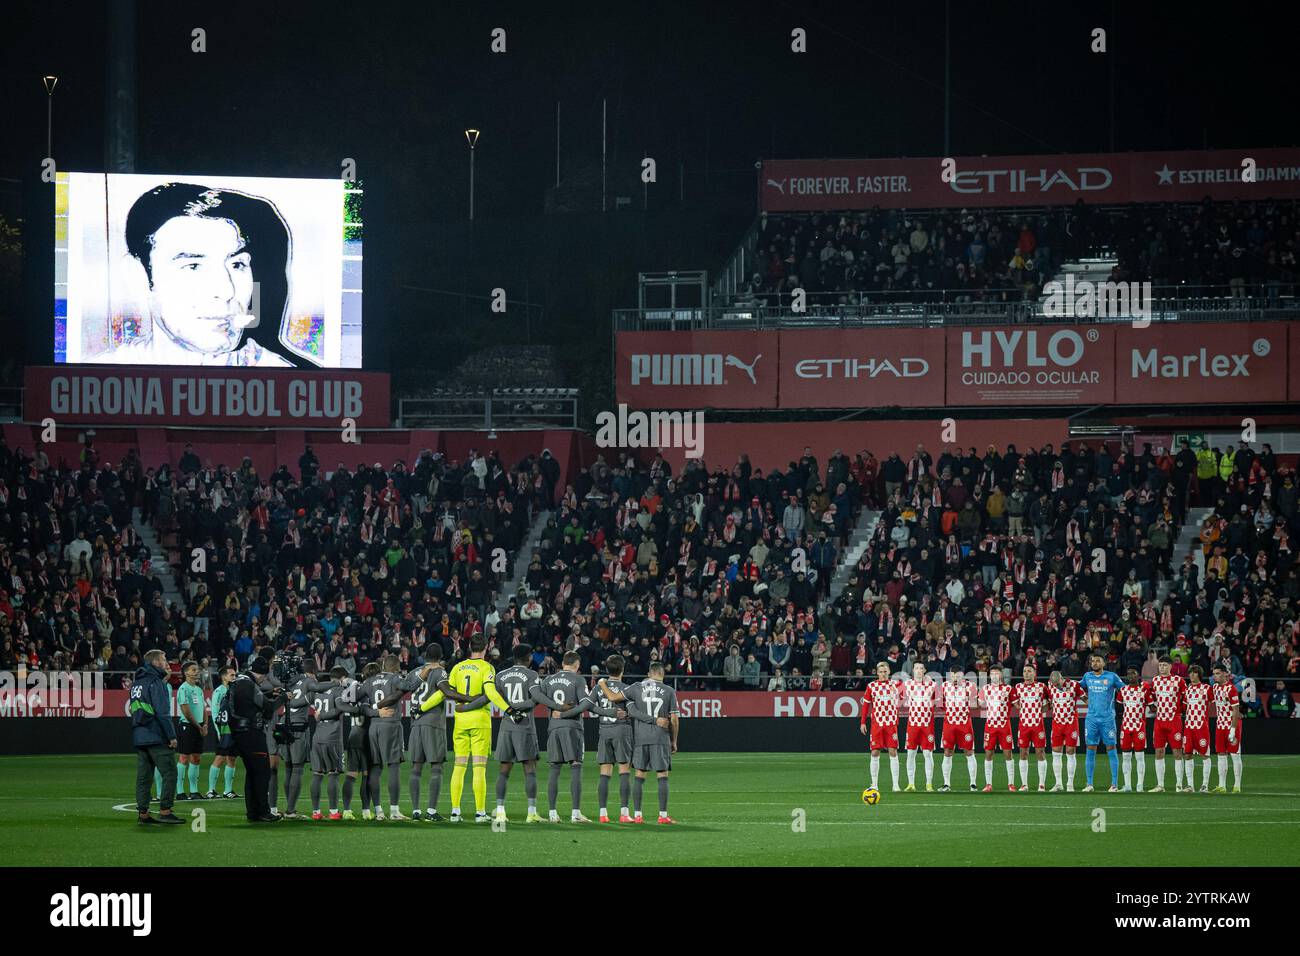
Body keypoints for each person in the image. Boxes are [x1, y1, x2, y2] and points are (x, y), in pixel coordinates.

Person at [114, 182, 312, 367]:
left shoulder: (289, 382)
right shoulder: (103, 377)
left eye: (237, 264)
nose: (226, 290)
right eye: (193, 266)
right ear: (137, 277)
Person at [357, 654, 436, 821]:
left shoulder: (369, 681)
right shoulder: (394, 678)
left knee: (376, 769)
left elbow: (356, 701)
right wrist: (425, 672)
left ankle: (378, 811)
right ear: (397, 667)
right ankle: (394, 811)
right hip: (390, 725)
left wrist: (373, 710)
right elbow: (410, 685)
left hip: (373, 727)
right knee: (393, 767)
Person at [599, 660, 679, 824]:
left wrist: (602, 683)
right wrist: (674, 740)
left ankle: (637, 816)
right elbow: (675, 720)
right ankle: (663, 816)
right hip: (660, 737)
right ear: (662, 674)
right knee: (662, 775)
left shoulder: (636, 687)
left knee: (639, 775)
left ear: (649, 674)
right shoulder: (669, 690)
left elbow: (613, 697)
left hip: (640, 738)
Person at [445, 634, 512, 822]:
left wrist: (422, 707)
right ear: (486, 649)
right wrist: (508, 708)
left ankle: (455, 812)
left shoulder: (457, 667)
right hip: (480, 721)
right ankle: (480, 812)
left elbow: (446, 692)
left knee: (458, 767)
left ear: (468, 647)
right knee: (479, 768)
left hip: (460, 721)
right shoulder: (486, 667)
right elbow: (490, 692)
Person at [485, 643, 551, 823]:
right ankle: (531, 813)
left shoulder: (501, 675)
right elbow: (534, 699)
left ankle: (500, 812)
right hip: (525, 727)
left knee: (503, 771)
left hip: (506, 726)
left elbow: (491, 697)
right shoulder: (531, 674)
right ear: (529, 657)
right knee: (530, 770)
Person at [538, 651, 596, 823]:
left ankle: (552, 813)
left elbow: (537, 697)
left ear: (562, 663)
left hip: (553, 728)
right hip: (572, 728)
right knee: (576, 767)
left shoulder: (548, 680)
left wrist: (556, 711)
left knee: (554, 770)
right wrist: (565, 715)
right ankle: (575, 813)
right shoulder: (578, 679)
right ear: (577, 665)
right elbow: (585, 703)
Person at [408, 644, 463, 821]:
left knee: (416, 768)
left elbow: (407, 687)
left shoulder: (415, 671)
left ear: (425, 656)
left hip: (415, 723)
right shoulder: (440, 672)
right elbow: (446, 691)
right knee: (436, 767)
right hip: (433, 723)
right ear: (440, 657)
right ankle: (431, 811)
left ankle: (415, 811)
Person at [130, 649, 184, 825]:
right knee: (170, 773)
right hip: (156, 735)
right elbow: (162, 713)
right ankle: (165, 811)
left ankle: (143, 814)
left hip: (140, 735)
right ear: (155, 663)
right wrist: (171, 736)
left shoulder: (137, 683)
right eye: (163, 659)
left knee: (144, 777)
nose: (166, 662)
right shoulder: (156, 682)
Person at [227, 655, 284, 822]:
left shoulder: (239, 681)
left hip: (239, 733)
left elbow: (248, 699)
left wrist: (267, 692)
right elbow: (268, 706)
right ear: (261, 674)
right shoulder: (248, 684)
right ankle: (263, 812)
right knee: (262, 773)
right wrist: (282, 698)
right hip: (251, 733)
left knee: (252, 773)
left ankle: (252, 812)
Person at [303, 666, 355, 820]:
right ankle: (333, 812)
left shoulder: (318, 690)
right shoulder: (338, 690)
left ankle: (316, 812)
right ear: (341, 678)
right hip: (332, 737)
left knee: (317, 774)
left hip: (317, 736)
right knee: (333, 774)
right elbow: (339, 709)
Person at [589, 653, 634, 823]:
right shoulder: (626, 688)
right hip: (621, 730)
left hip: (604, 730)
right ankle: (624, 814)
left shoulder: (598, 687)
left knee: (605, 772)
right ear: (622, 669)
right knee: (624, 771)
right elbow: (632, 710)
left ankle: (602, 814)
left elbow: (589, 706)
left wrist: (604, 712)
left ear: (607, 669)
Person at [1079, 653, 1125, 793]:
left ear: (1104, 663)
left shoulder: (1112, 676)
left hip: (1108, 719)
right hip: (1091, 719)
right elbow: (1076, 688)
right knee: (1090, 749)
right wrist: (1084, 697)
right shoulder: (1087, 676)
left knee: (1111, 748)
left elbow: (1125, 690)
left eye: (1098, 661)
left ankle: (1114, 784)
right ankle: (1089, 784)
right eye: (1093, 661)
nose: (1094, 663)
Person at [859, 661, 902, 793]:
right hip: (877, 724)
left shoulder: (897, 685)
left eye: (885, 671)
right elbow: (866, 705)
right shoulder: (871, 686)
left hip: (891, 724)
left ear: (889, 672)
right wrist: (862, 722)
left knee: (893, 752)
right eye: (881, 672)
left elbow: (909, 692)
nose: (883, 674)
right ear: (877, 673)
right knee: (875, 752)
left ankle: (895, 785)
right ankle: (874, 784)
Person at [1148, 656, 1187, 793]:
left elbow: (1185, 697)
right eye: (1160, 665)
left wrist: (1181, 710)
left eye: (1165, 665)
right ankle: (1160, 785)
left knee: (1177, 752)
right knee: (1159, 751)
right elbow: (1151, 697)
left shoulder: (1178, 680)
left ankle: (1179, 785)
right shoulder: (1155, 681)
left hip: (1174, 720)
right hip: (1159, 721)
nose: (1162, 668)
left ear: (1171, 666)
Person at [938, 664, 978, 792]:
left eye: (958, 676)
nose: (955, 678)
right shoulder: (944, 686)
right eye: (953, 675)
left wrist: (964, 706)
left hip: (964, 723)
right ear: (950, 675)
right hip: (949, 723)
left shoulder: (970, 686)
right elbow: (940, 704)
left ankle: (973, 784)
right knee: (948, 752)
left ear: (963, 675)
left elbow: (974, 705)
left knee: (969, 751)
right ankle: (946, 784)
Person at [1011, 663, 1050, 792]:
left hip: (1038, 725)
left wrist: (1039, 709)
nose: (1026, 673)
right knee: (1023, 753)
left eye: (1029, 671)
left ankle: (1041, 784)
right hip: (1024, 725)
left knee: (1040, 752)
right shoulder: (1018, 687)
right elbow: (1016, 705)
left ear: (1034, 673)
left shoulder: (1041, 687)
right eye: (1024, 671)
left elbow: (1047, 705)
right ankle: (1024, 784)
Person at [978, 665, 1017, 792]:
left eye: (996, 673)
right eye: (992, 673)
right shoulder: (985, 688)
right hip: (990, 726)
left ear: (1001, 675)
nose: (994, 676)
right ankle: (988, 784)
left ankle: (1011, 784)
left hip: (1005, 725)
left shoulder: (1008, 689)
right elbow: (980, 703)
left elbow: (1017, 705)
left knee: (1008, 754)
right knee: (988, 753)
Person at [900, 662, 936, 792]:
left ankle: (929, 784)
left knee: (928, 754)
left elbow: (938, 701)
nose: (919, 670)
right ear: (913, 670)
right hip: (913, 724)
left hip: (927, 725)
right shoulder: (907, 684)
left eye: (921, 668)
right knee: (910, 754)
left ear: (925, 670)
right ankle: (911, 784)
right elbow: (900, 699)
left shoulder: (932, 685)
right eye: (917, 668)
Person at [1047, 670, 1086, 792]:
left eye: (1057, 684)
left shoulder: (1074, 685)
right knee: (1056, 752)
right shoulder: (1050, 685)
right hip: (1057, 723)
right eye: (1053, 685)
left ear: (1061, 678)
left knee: (1070, 751)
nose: (1056, 686)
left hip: (1071, 723)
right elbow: (1049, 701)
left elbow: (1085, 698)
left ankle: (1070, 783)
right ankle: (1058, 783)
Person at [204, 665, 239, 799]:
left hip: (233, 730)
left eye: (235, 675)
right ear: (224, 676)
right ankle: (211, 790)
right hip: (223, 730)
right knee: (220, 758)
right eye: (232, 675)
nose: (234, 677)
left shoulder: (234, 690)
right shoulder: (219, 692)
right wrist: (219, 732)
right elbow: (214, 713)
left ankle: (228, 790)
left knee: (232, 758)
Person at [174, 662, 207, 802]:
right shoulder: (183, 689)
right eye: (193, 670)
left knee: (196, 758)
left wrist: (205, 724)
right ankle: (180, 791)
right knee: (184, 757)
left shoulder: (199, 689)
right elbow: (186, 711)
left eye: (197, 670)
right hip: (187, 726)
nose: (196, 672)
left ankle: (194, 791)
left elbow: (204, 708)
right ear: (186, 673)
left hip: (199, 725)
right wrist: (198, 727)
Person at [1117, 668, 1152, 792]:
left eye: (1133, 674)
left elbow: (1152, 707)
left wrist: (1150, 691)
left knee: (1139, 756)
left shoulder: (1144, 691)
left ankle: (1139, 785)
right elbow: (1119, 706)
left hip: (1139, 727)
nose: (1131, 676)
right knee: (1126, 756)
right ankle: (1127, 785)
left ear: (1138, 676)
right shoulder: (1123, 690)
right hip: (1126, 726)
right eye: (1129, 674)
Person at [1211, 664, 1244, 793]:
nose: (1215, 676)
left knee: (1235, 755)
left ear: (1225, 674)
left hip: (1231, 725)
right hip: (1220, 725)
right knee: (1221, 754)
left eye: (1218, 673)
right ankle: (1222, 785)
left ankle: (1237, 785)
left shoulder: (1231, 689)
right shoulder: (1214, 688)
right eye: (1214, 674)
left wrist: (1233, 729)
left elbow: (1236, 711)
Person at [1181, 665, 1214, 793]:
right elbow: (1184, 708)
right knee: (1187, 754)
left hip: (1201, 726)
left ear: (1199, 675)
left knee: (1205, 754)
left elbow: (1212, 703)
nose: (1192, 675)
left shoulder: (1207, 689)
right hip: (1189, 726)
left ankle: (1205, 785)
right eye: (1190, 673)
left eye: (1195, 673)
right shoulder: (1188, 690)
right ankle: (1190, 785)